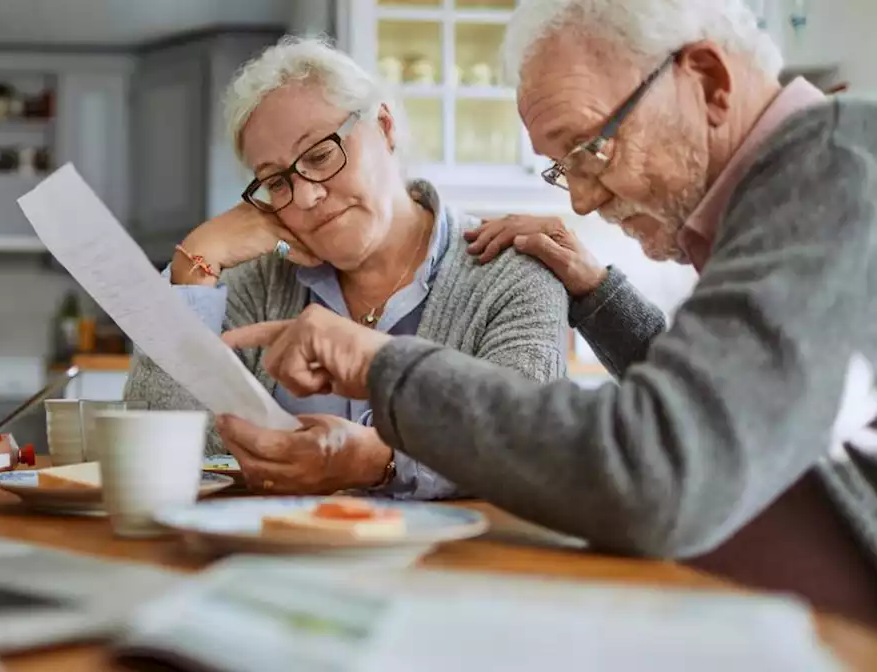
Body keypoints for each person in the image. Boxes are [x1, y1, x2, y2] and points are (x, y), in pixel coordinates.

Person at [222, 0, 877, 624]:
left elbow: (659, 472)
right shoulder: (813, 178)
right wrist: (601, 299)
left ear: (707, 81)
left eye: (589, 147)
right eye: (564, 169)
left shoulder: (832, 172)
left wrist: (384, 368)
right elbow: (733, 418)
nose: (584, 202)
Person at [123, 36, 570, 500]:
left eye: (319, 155)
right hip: (273, 560)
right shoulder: (252, 283)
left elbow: (524, 451)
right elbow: (157, 447)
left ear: (384, 126)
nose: (309, 196)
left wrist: (381, 460)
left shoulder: (513, 273)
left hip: (453, 565)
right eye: (277, 181)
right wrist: (194, 260)